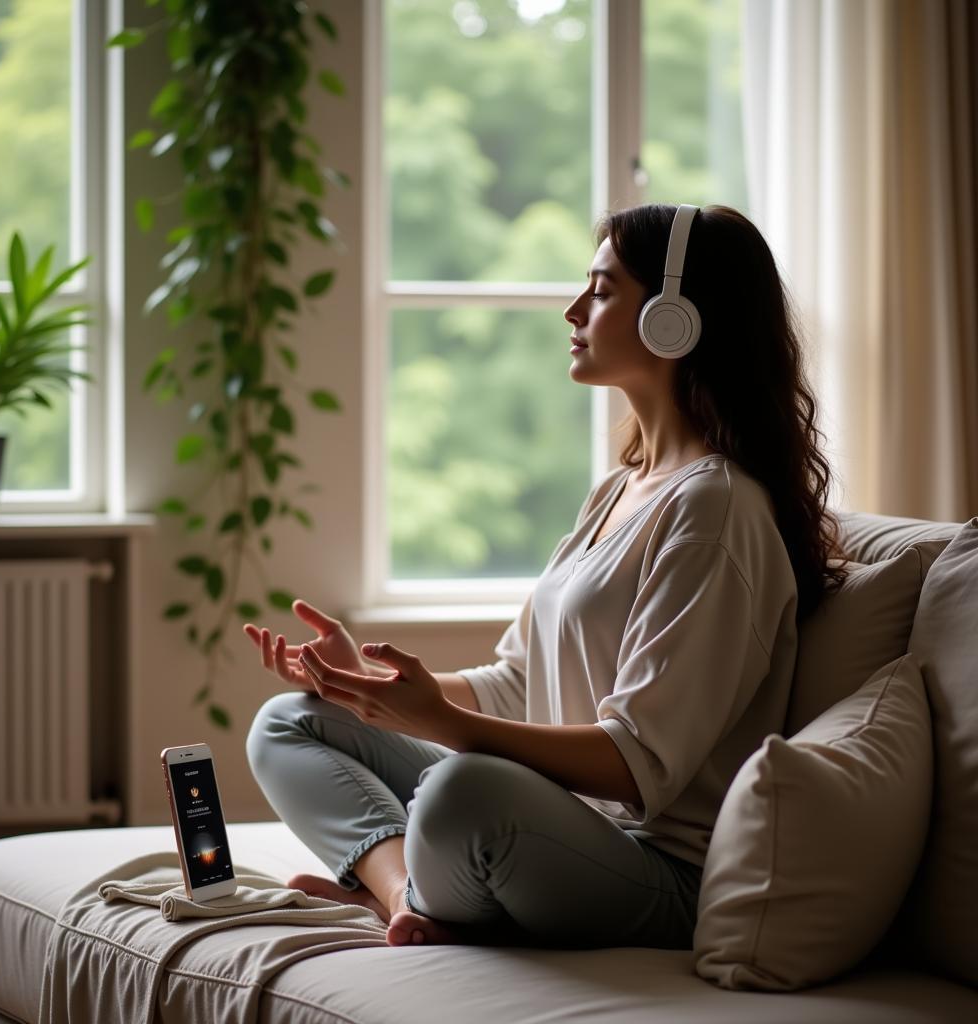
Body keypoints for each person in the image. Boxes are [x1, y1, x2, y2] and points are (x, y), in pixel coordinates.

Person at [243, 202, 849, 951]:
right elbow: (516, 681)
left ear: (673, 319)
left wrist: (445, 725)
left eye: (600, 290)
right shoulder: (620, 490)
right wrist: (365, 681)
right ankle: (402, 896)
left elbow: (638, 763)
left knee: (462, 792)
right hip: (556, 817)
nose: (572, 309)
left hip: (651, 867)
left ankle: (403, 888)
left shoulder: (717, 509)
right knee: (290, 722)